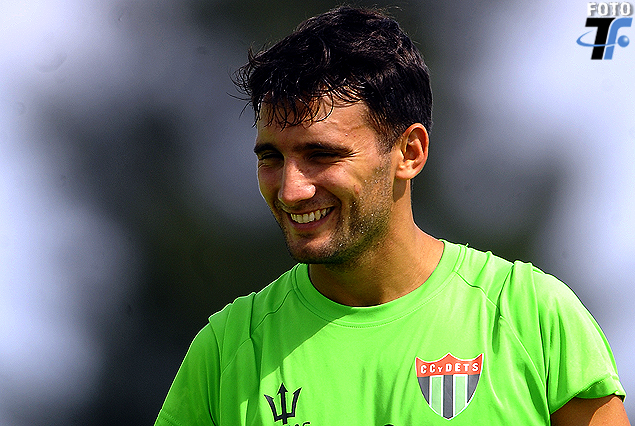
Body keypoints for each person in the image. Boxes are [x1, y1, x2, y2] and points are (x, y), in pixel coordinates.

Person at [155, 6, 628, 425]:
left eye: (322, 155)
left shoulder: (532, 317)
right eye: (271, 158)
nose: (291, 190)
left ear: (410, 152)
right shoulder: (225, 353)